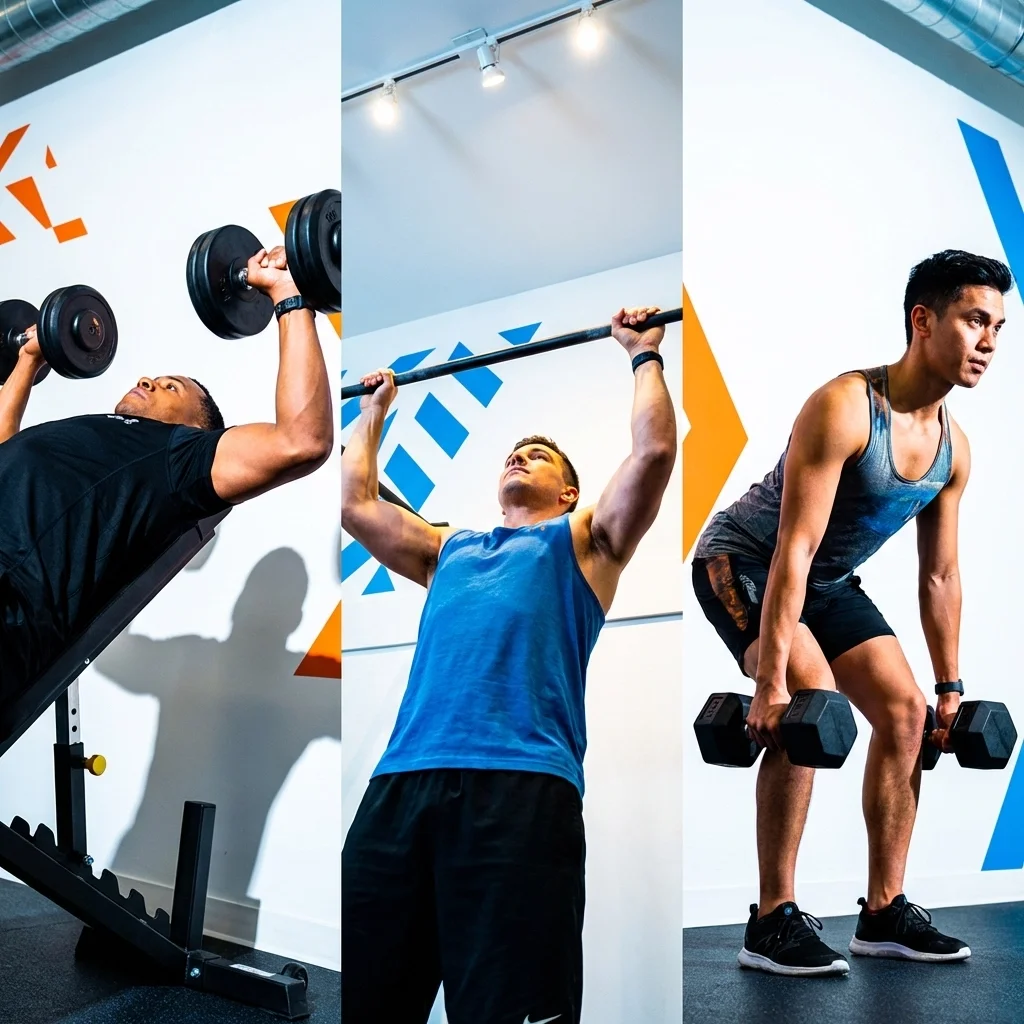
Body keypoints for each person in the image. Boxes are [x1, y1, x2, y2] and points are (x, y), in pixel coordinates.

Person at [341, 306, 677, 1024]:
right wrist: (374, 412)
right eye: (512, 453)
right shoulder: (447, 548)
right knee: (371, 999)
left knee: (508, 1008)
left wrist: (643, 354)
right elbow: (356, 502)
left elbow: (652, 455)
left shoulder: (585, 543)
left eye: (539, 455)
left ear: (568, 493)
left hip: (521, 788)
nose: (518, 457)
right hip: (400, 787)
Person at [691, 249, 1014, 976]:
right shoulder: (844, 406)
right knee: (813, 699)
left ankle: (883, 910)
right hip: (743, 560)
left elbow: (941, 573)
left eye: (998, 325)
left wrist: (949, 689)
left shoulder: (952, 449)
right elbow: (792, 552)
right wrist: (773, 681)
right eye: (974, 320)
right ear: (922, 321)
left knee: (902, 715)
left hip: (829, 580)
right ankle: (772, 919)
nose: (990, 341)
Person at [0, 245, 333, 698]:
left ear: (196, 428)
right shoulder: (90, 438)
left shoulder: (179, 457)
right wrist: (27, 359)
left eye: (170, 386)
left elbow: (302, 440)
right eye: (153, 377)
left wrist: (290, 297)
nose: (146, 380)